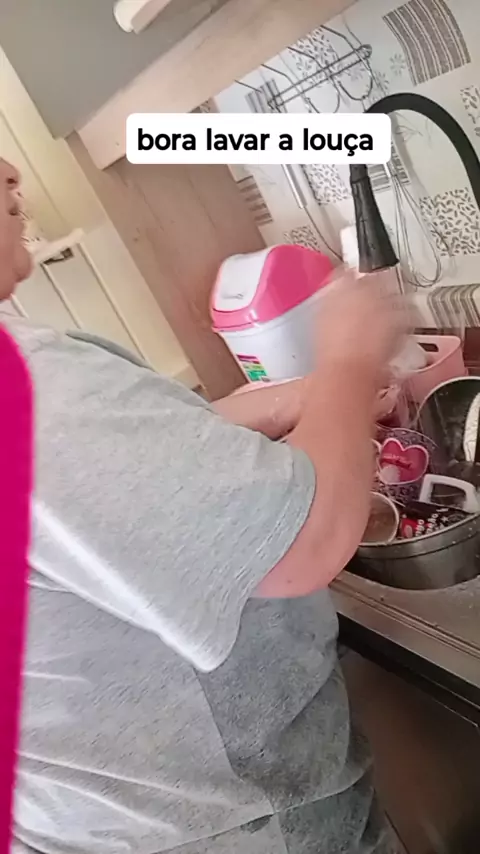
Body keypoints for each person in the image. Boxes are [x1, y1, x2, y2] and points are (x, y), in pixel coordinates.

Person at [0, 158, 405, 854]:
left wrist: (299, 400)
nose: (10, 169)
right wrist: (348, 358)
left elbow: (122, 464)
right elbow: (303, 544)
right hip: (223, 825)